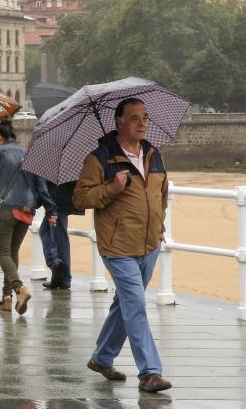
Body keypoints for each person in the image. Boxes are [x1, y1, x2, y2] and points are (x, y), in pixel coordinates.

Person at [73, 97, 172, 393]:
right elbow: (80, 198)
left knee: (126, 304)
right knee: (136, 305)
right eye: (134, 118)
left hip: (149, 243)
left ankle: (102, 357)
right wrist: (112, 188)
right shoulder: (99, 158)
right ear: (119, 121)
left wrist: (160, 225)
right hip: (118, 247)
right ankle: (150, 372)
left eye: (145, 117)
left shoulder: (154, 154)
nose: (142, 123)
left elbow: (162, 193)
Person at [0, 118, 57, 315]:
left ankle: (19, 289)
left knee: (2, 254)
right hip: (26, 209)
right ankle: (6, 298)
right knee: (12, 252)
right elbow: (41, 184)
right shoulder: (27, 153)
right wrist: (50, 209)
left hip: (5, 208)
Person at [39, 180, 84, 290]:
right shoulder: (71, 167)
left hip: (58, 202)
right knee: (46, 231)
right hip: (62, 200)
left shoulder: (59, 168)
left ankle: (61, 273)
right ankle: (59, 274)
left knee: (60, 238)